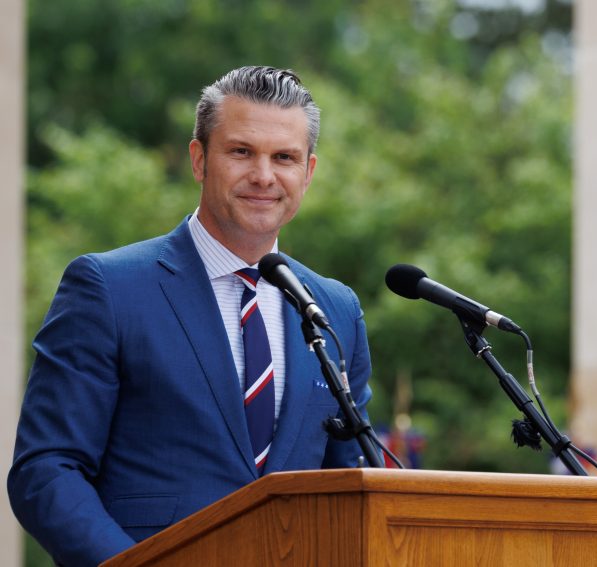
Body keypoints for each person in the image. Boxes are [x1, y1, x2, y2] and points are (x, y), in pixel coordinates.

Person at [8, 66, 375, 567]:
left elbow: (350, 483)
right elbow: (47, 470)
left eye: (283, 157)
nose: (264, 176)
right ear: (199, 160)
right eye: (241, 152)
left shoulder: (335, 310)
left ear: (308, 172)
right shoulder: (108, 288)